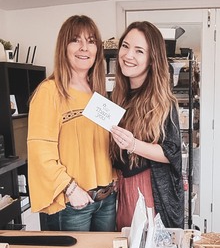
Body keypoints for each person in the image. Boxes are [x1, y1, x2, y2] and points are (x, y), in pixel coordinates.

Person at [28, 15, 117, 231]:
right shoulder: (49, 92)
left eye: (91, 41)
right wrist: (70, 189)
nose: (84, 48)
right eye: (76, 40)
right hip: (73, 203)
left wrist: (114, 179)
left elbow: (103, 146)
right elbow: (40, 151)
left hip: (106, 200)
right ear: (64, 47)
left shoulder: (99, 94)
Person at [110, 21, 184, 231]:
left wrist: (133, 144)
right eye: (125, 46)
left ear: (152, 60)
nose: (128, 55)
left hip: (148, 190)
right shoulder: (118, 97)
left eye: (139, 51)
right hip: (123, 189)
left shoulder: (163, 102)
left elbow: (172, 153)